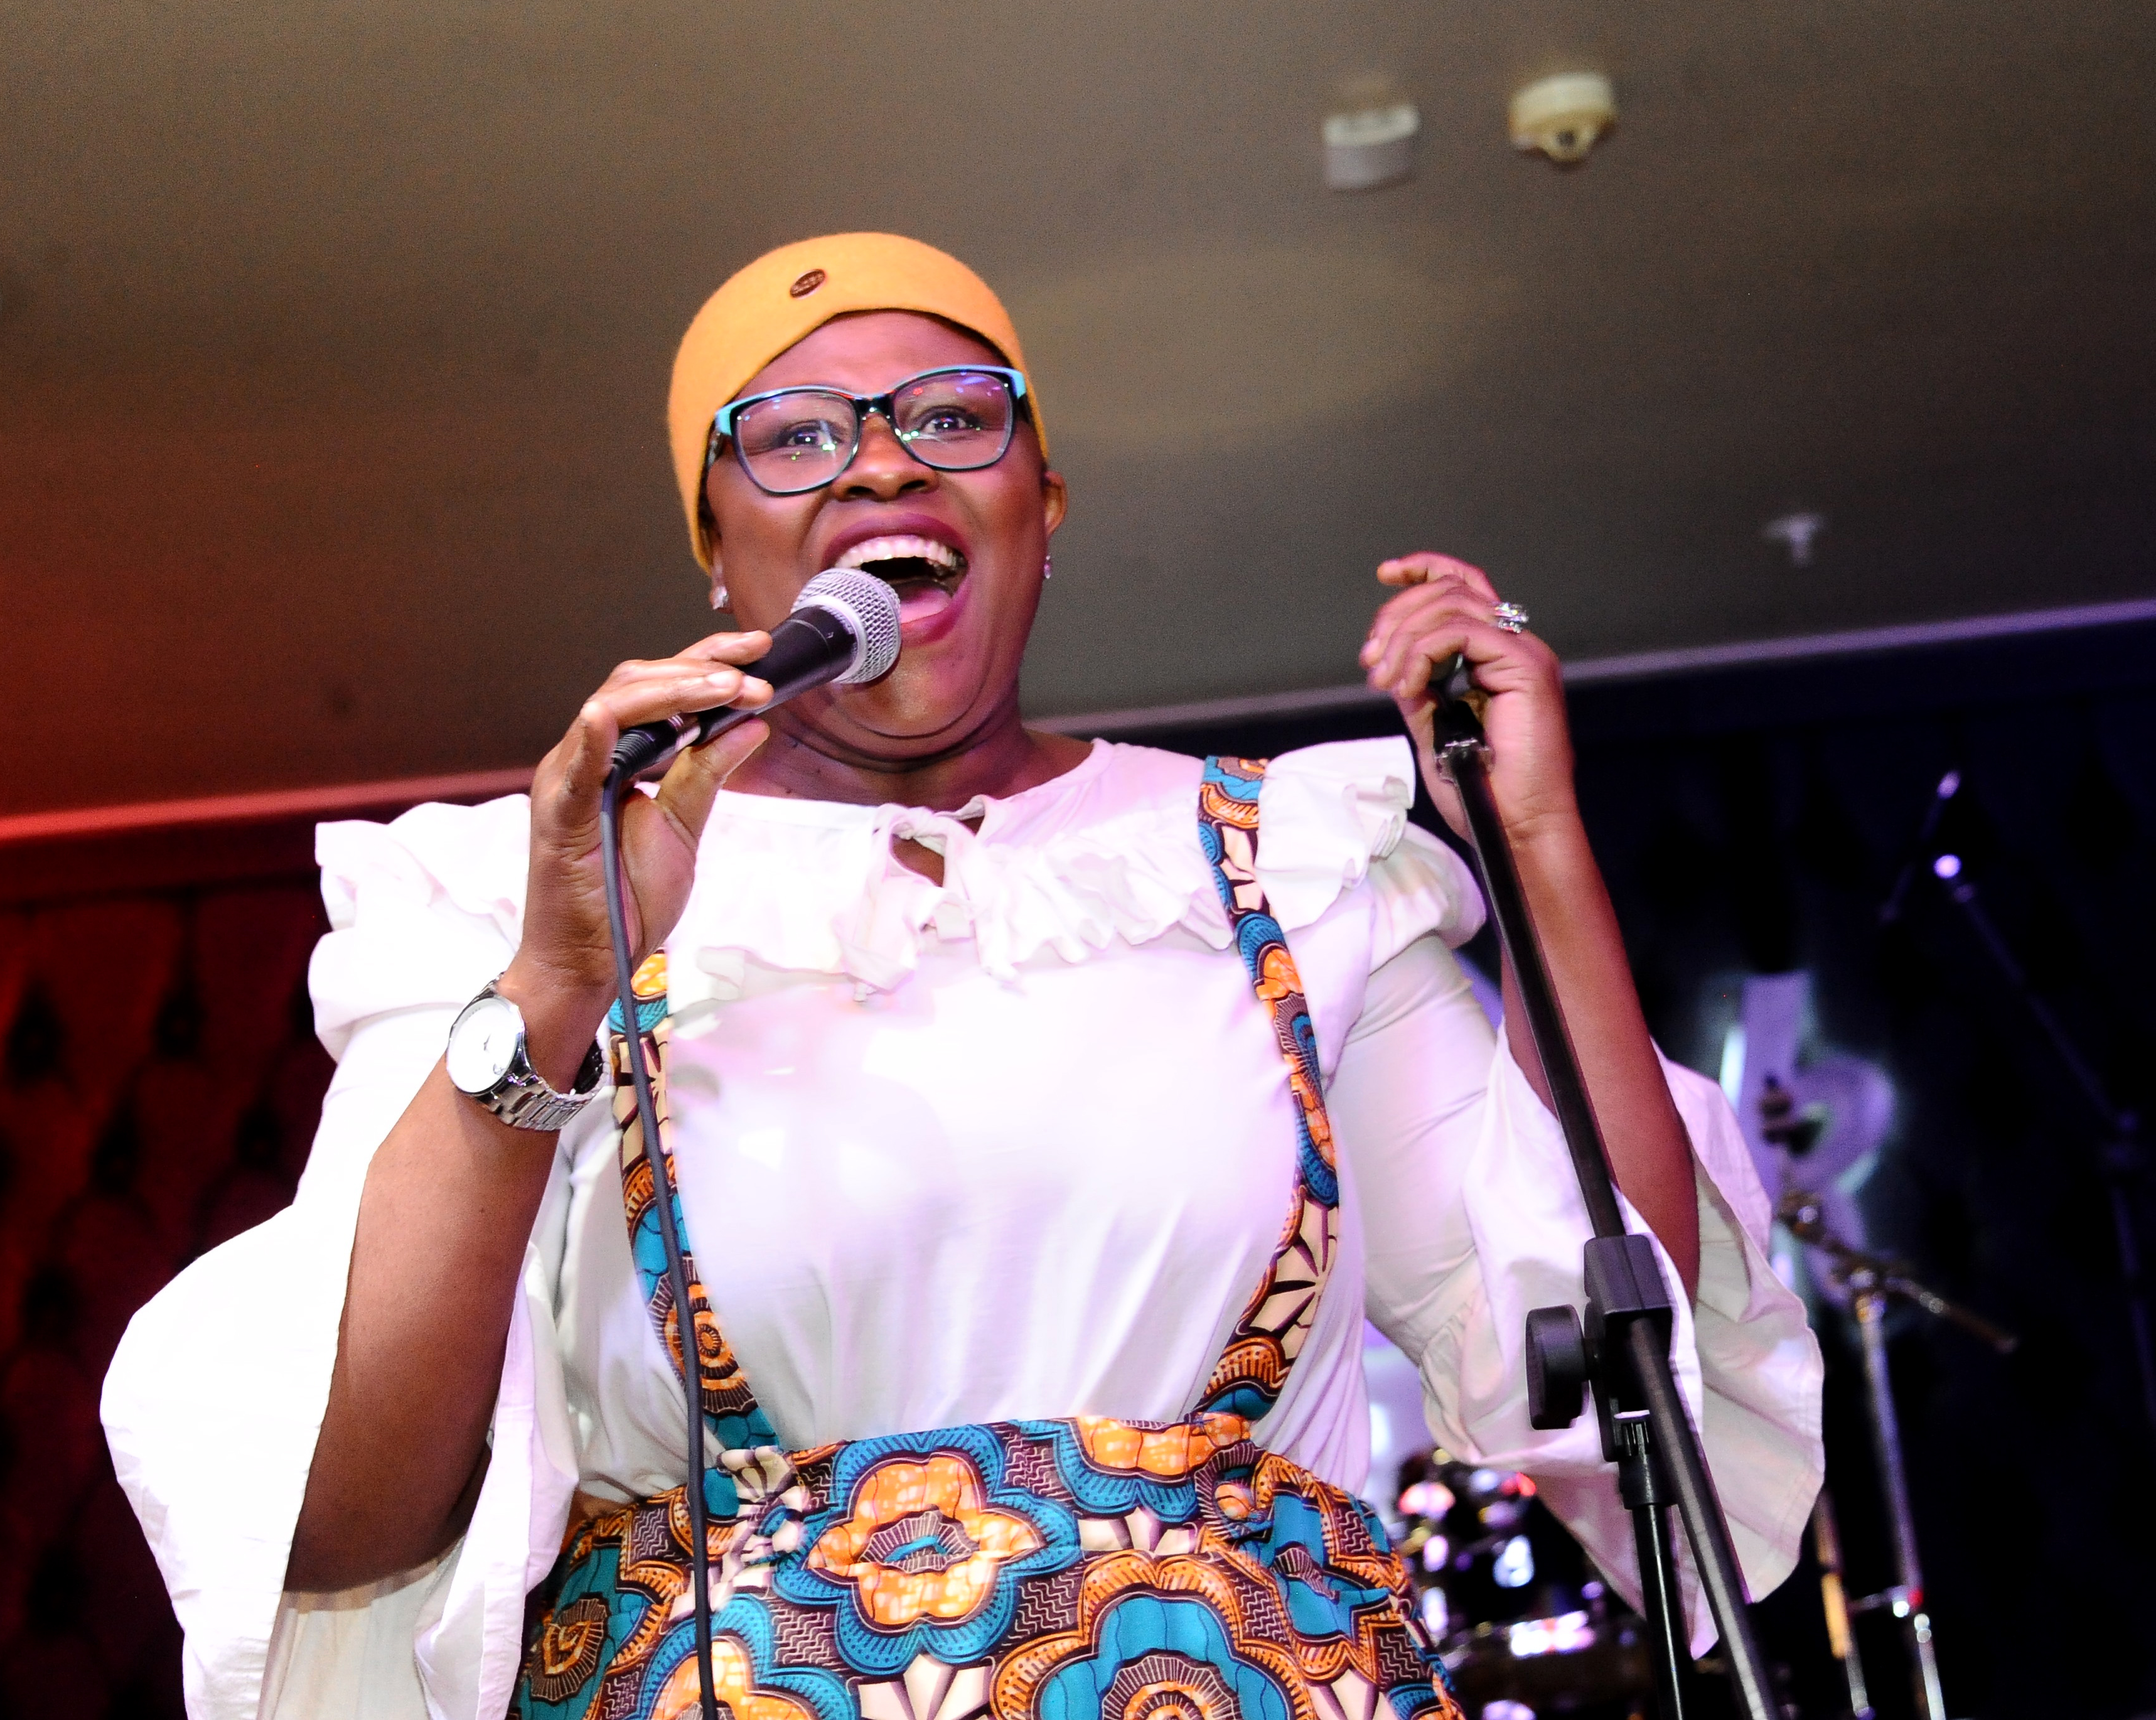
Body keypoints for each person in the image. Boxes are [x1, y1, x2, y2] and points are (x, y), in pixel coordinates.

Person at [102, 234, 1822, 1720]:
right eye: (788, 438)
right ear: (718, 549)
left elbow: (1613, 1357)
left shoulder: (1281, 864)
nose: (877, 467)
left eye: (949, 416)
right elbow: (345, 1522)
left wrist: (1536, 847)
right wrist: (561, 971)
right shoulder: (528, 882)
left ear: (1042, 505)